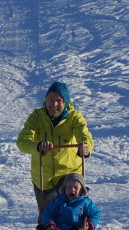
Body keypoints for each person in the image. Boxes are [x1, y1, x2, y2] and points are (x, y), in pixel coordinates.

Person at [16, 80, 93, 217]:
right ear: (46, 99)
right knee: (47, 215)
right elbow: (22, 141)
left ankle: (74, 227)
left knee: (71, 211)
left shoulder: (74, 117)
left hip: (68, 172)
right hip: (43, 175)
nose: (54, 104)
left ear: (66, 102)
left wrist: (85, 147)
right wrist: (38, 146)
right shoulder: (37, 117)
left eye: (59, 100)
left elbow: (83, 134)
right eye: (51, 99)